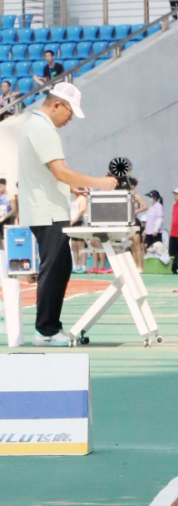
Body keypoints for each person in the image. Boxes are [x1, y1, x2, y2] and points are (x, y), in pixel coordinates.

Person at [16, 82, 117, 346]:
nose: (70, 118)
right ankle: (46, 331)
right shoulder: (42, 129)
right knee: (55, 268)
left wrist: (71, 185)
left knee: (61, 266)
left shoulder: (36, 126)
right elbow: (59, 170)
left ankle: (50, 327)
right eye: (70, 112)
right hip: (46, 211)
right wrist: (99, 182)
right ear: (58, 105)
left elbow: (48, 172)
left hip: (45, 208)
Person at [68, 192, 87, 273]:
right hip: (72, 223)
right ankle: (76, 266)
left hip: (79, 223)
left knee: (80, 245)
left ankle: (84, 266)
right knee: (74, 245)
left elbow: (81, 211)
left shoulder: (82, 199)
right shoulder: (73, 199)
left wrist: (73, 221)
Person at [0, 177, 17, 241]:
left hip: (5, 219)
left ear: (5, 185)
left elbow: (14, 209)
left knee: (4, 237)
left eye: (0, 186)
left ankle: (6, 249)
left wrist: (3, 218)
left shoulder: (10, 195)